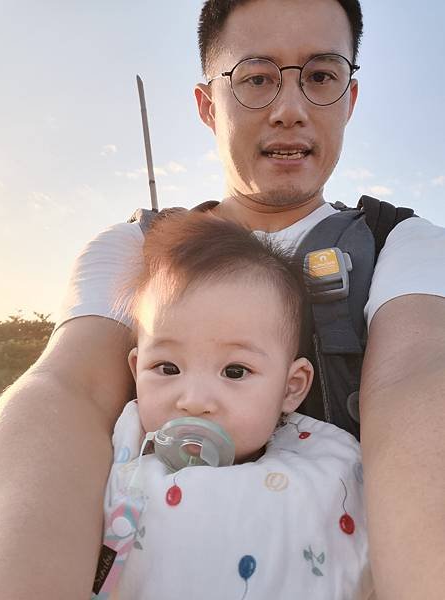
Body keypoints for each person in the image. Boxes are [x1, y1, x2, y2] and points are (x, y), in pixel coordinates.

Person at [0, 1, 444, 599]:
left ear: (350, 99)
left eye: (321, 77)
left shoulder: (401, 243)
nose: (290, 110)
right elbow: (64, 389)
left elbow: (418, 380)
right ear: (208, 104)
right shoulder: (135, 247)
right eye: (257, 77)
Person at [97, 210, 372, 600]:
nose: (193, 401)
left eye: (236, 371)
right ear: (136, 369)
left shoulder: (330, 465)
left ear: (291, 388)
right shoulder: (111, 454)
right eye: (167, 367)